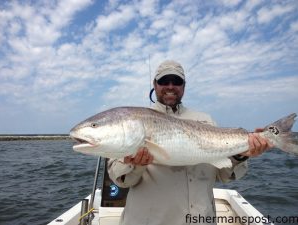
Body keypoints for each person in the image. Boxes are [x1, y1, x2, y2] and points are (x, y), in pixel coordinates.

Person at [108, 60, 273, 225]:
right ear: (155, 84)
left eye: (177, 81)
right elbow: (121, 180)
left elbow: (223, 175)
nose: (170, 86)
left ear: (184, 86)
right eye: (164, 81)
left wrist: (240, 155)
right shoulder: (134, 122)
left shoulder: (205, 120)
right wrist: (136, 165)